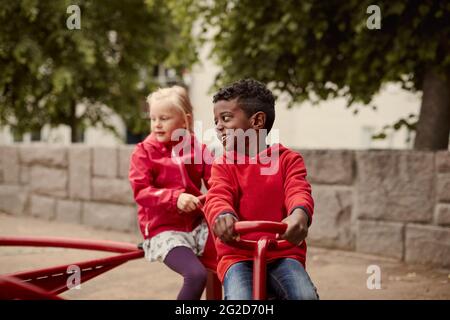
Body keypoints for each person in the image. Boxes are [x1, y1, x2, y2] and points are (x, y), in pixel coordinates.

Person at [203, 79, 319, 300]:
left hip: (282, 253)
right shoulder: (223, 164)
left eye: (226, 118)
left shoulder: (288, 160)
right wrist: (223, 215)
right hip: (238, 255)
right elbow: (217, 195)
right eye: (216, 120)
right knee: (240, 300)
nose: (218, 126)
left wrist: (299, 214)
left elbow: (298, 190)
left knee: (304, 296)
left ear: (257, 121)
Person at [129, 85, 216, 300]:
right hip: (164, 230)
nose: (156, 124)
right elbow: (141, 192)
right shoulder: (144, 152)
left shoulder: (197, 148)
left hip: (197, 225)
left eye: (164, 118)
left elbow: (217, 181)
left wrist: (221, 198)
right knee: (196, 275)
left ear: (185, 120)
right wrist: (175, 198)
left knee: (229, 259)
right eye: (153, 118)